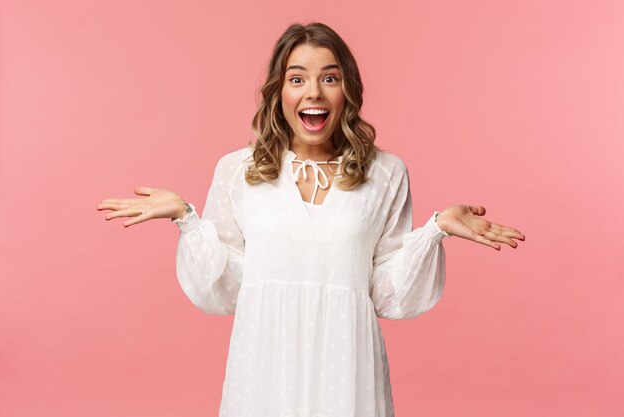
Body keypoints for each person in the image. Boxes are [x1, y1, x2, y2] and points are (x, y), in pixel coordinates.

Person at [98, 22, 524, 417]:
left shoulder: (386, 173)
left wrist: (435, 229)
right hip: (263, 371)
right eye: (297, 79)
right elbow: (227, 287)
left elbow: (385, 290)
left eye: (330, 78)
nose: (313, 92)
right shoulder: (236, 170)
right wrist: (186, 218)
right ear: (278, 92)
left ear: (347, 91)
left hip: (348, 372)